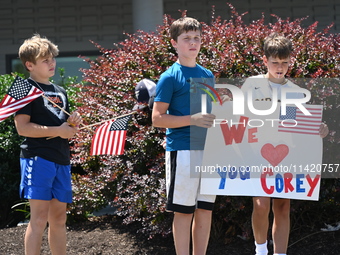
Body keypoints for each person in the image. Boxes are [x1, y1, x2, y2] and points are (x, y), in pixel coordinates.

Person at [241, 33, 329, 255]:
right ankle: (260, 251)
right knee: (260, 205)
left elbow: (295, 126)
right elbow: (238, 118)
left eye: (284, 62)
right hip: (256, 153)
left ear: (291, 61)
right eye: (275, 62)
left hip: (285, 155)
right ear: (264, 61)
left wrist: (319, 130)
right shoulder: (252, 85)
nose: (280, 67)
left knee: (282, 206)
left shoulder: (296, 91)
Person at [152, 17, 216, 255]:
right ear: (174, 43)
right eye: (186, 38)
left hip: (209, 151)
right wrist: (192, 119)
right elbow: (157, 118)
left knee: (206, 209)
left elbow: (208, 113)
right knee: (184, 211)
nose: (193, 42)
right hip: (183, 150)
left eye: (197, 38)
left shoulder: (207, 74)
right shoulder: (169, 76)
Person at [14, 34, 82, 255]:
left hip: (61, 159)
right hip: (37, 158)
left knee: (59, 218)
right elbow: (22, 128)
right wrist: (59, 130)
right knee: (39, 218)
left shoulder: (59, 91)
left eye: (52, 58)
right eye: (45, 60)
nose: (52, 63)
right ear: (29, 65)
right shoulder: (25, 89)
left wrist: (72, 125)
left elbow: (66, 131)